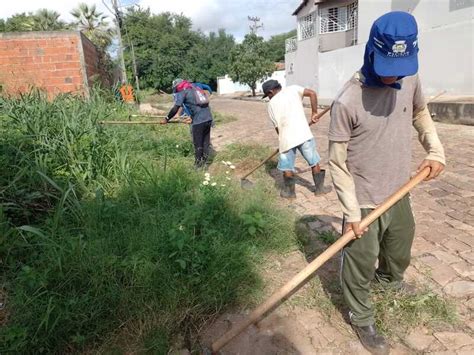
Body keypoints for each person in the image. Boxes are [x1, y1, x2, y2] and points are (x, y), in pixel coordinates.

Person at [328, 12, 445, 354]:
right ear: (371, 51)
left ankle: (390, 284)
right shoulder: (348, 100)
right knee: (360, 259)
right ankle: (360, 314)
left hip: (400, 189)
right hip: (363, 198)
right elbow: (336, 162)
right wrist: (351, 213)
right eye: (387, 65)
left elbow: (420, 112)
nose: (394, 74)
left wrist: (435, 149)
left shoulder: (410, 78)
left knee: (399, 250)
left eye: (402, 65)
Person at [263, 79, 327, 199]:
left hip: (286, 139)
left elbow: (277, 127)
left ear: (271, 91)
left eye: (268, 95)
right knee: (314, 162)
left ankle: (290, 193)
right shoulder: (293, 89)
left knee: (287, 167)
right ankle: (319, 189)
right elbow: (312, 93)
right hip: (304, 134)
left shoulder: (270, 105)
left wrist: (281, 139)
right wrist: (314, 113)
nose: (268, 98)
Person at [162, 79, 213, 169]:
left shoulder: (183, 92)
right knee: (205, 142)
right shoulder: (195, 88)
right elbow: (198, 105)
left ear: (177, 87)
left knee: (198, 144)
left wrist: (167, 118)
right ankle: (205, 164)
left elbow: (176, 108)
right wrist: (192, 117)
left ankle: (197, 166)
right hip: (208, 118)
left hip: (199, 121)